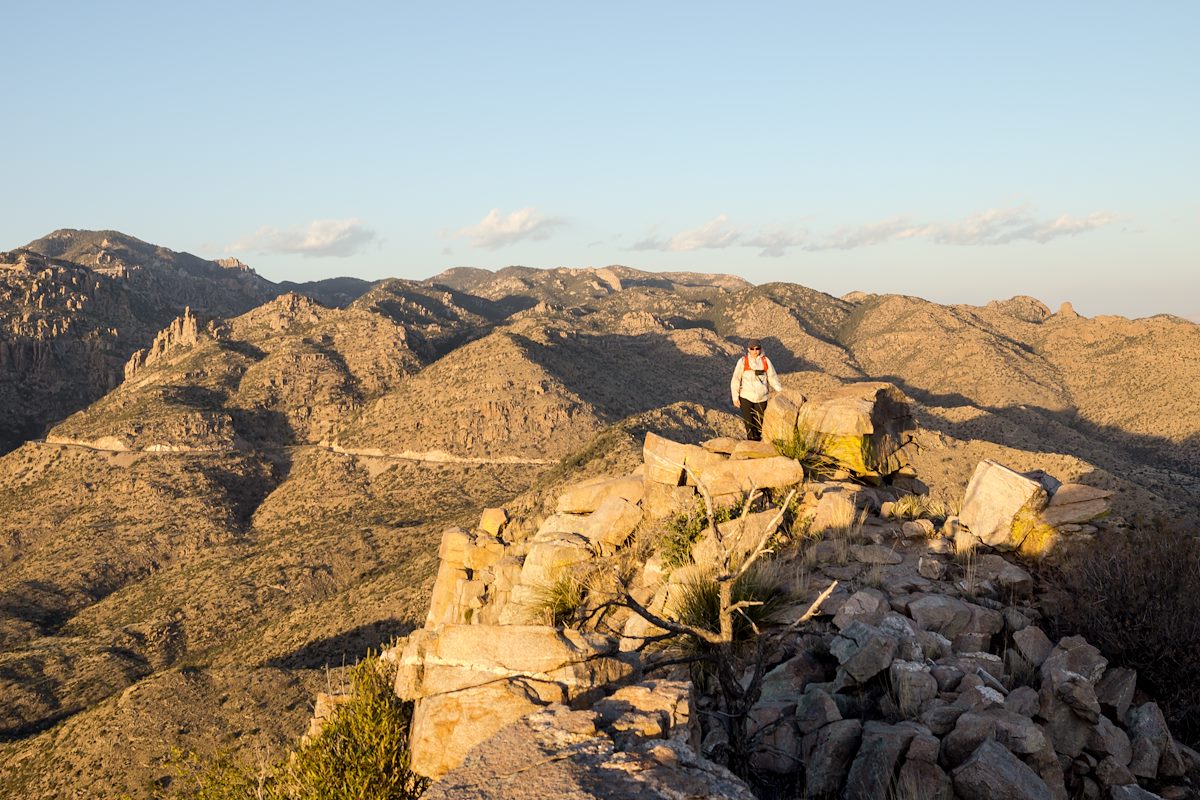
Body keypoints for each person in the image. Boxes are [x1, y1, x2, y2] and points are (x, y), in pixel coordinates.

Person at [730, 339, 782, 441]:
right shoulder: (743, 361)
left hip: (762, 398)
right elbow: (736, 379)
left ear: (760, 349)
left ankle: (758, 444)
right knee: (749, 424)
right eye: (752, 349)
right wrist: (735, 397)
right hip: (746, 397)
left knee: (759, 424)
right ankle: (751, 443)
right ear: (748, 349)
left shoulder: (765, 361)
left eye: (757, 348)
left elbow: (772, 378)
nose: (755, 351)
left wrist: (781, 391)